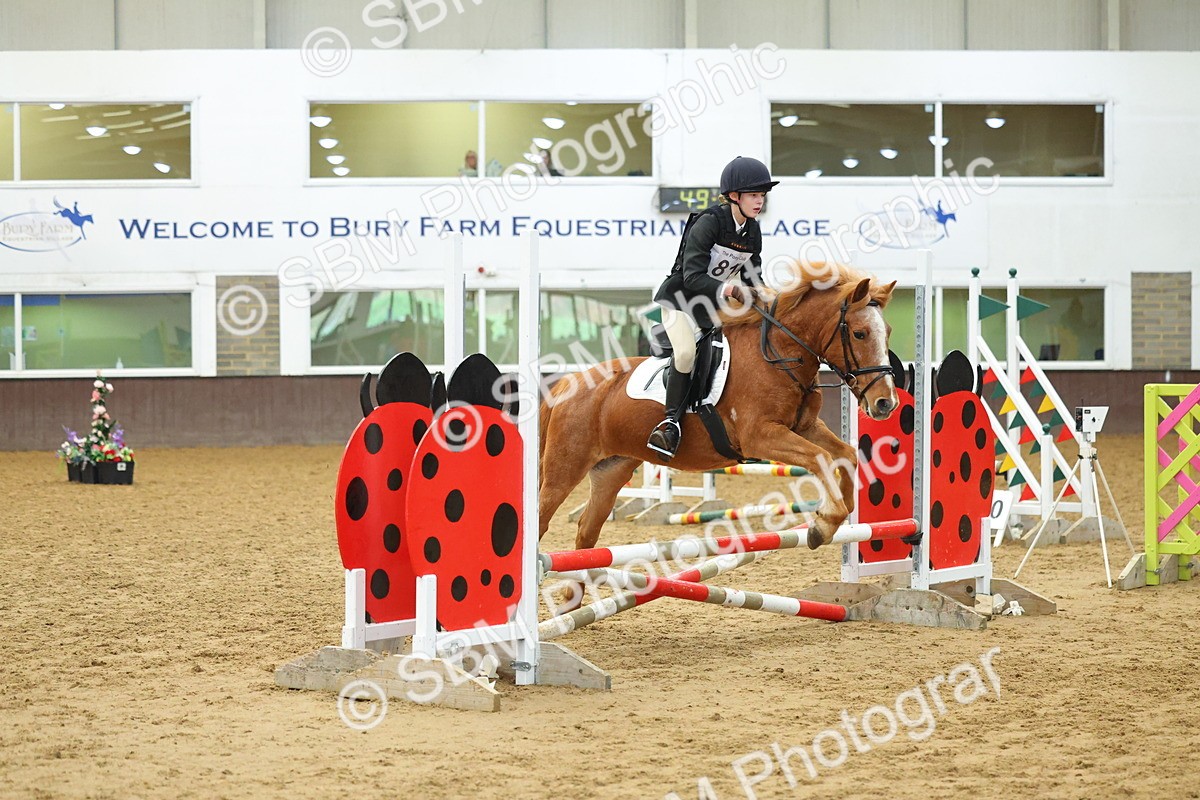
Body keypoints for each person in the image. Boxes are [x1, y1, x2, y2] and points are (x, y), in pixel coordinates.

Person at [646, 156, 777, 459]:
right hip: (679, 300)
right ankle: (669, 424)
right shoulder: (708, 223)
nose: (760, 201)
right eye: (753, 195)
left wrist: (769, 297)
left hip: (710, 308)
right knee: (687, 353)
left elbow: (754, 278)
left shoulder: (753, 232)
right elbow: (692, 276)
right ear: (734, 196)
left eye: (762, 195)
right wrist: (732, 289)